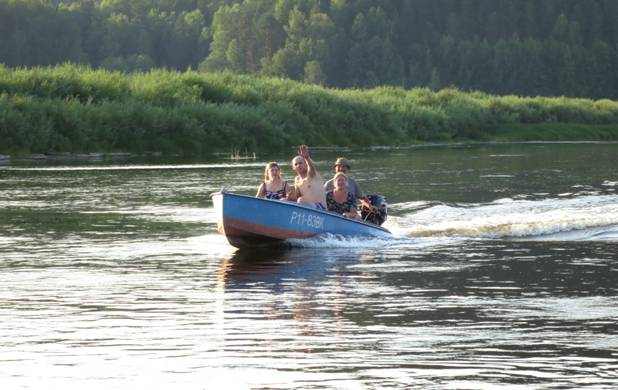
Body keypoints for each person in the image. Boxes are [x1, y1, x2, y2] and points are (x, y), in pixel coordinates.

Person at [286, 145, 326, 209]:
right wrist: (289, 197)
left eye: (300, 163)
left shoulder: (313, 174)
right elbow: (297, 196)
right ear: (293, 168)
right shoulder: (297, 179)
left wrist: (307, 158)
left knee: (301, 200)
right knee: (284, 200)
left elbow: (312, 168)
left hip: (321, 208)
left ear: (305, 164)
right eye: (296, 164)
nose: (298, 165)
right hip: (306, 207)